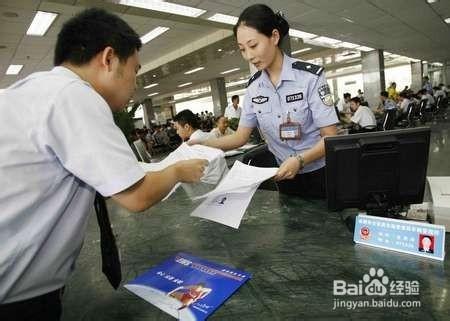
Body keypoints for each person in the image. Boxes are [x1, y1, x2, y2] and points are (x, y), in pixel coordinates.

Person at [0, 8, 207, 321]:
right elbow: (136, 196)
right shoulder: (74, 97)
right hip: (16, 300)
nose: (136, 82)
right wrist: (178, 170)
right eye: (135, 69)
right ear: (109, 58)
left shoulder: (30, 92)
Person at [193, 4, 338, 198]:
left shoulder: (310, 77)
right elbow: (240, 137)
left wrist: (300, 160)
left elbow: (330, 136)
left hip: (321, 174)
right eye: (242, 50)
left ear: (274, 37)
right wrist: (202, 145)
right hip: (284, 177)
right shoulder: (254, 88)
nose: (249, 56)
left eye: (253, 46)